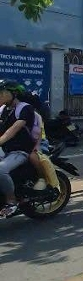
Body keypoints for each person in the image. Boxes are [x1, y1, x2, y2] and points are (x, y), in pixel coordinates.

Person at [0, 81, 39, 218]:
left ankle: (11, 201)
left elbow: (13, 130)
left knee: (0, 170)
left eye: (2, 92)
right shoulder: (3, 110)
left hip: (20, 150)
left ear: (14, 93)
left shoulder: (25, 108)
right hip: (4, 150)